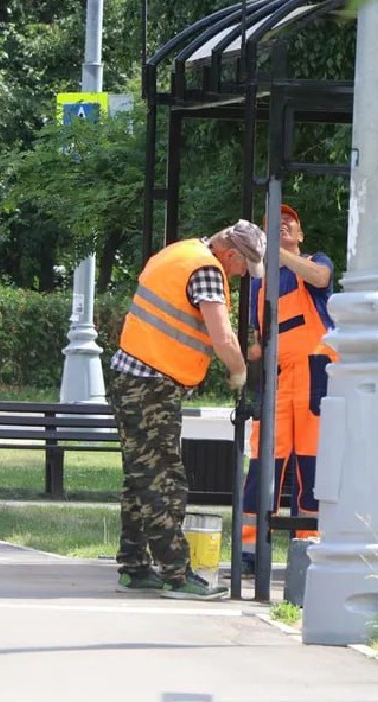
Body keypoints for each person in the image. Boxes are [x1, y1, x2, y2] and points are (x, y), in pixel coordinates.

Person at [109, 220, 266, 600]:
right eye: (244, 266)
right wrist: (239, 371)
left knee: (141, 476)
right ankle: (175, 574)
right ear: (230, 254)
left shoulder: (179, 252)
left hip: (132, 377)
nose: (242, 275)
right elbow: (221, 335)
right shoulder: (208, 271)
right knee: (164, 478)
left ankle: (134, 566)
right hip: (151, 384)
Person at [241, 203, 334, 573]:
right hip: (278, 378)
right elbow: (254, 339)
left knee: (313, 463)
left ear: (300, 234)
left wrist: (276, 251)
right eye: (273, 225)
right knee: (266, 459)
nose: (282, 227)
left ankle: (308, 547)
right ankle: (250, 549)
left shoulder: (316, 262)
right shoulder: (259, 284)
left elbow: (321, 279)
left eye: (288, 223)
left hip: (316, 374)